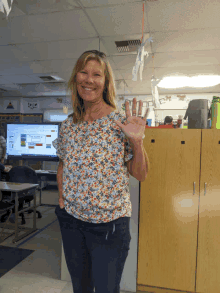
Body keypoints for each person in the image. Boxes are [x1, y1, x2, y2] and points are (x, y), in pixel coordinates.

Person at [52, 50, 150, 293]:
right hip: (72, 222)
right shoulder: (67, 126)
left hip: (109, 226)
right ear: (76, 78)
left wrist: (137, 142)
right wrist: (63, 200)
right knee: (81, 288)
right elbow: (63, 164)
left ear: (106, 82)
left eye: (97, 74)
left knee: (107, 289)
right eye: (83, 72)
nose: (89, 79)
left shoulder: (120, 123)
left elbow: (141, 174)